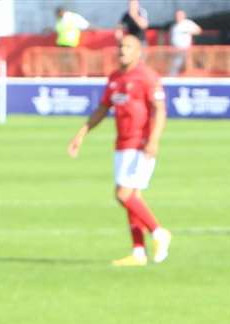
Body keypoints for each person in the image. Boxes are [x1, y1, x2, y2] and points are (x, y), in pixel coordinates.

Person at [67, 33, 172, 268]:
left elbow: (160, 110)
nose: (122, 50)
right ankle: (138, 252)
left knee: (123, 194)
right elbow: (103, 108)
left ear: (138, 52)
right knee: (132, 198)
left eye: (127, 47)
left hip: (140, 144)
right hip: (122, 144)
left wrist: (154, 140)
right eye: (120, 46)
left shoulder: (147, 77)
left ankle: (158, 232)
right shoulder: (115, 78)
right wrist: (81, 133)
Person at [167, 8, 201, 76]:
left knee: (188, 64)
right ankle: (172, 76)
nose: (178, 17)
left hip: (186, 49)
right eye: (177, 15)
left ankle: (190, 77)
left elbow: (198, 30)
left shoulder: (187, 23)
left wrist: (188, 31)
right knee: (176, 63)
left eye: (180, 15)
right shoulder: (174, 26)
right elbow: (171, 37)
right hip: (176, 49)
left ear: (184, 16)